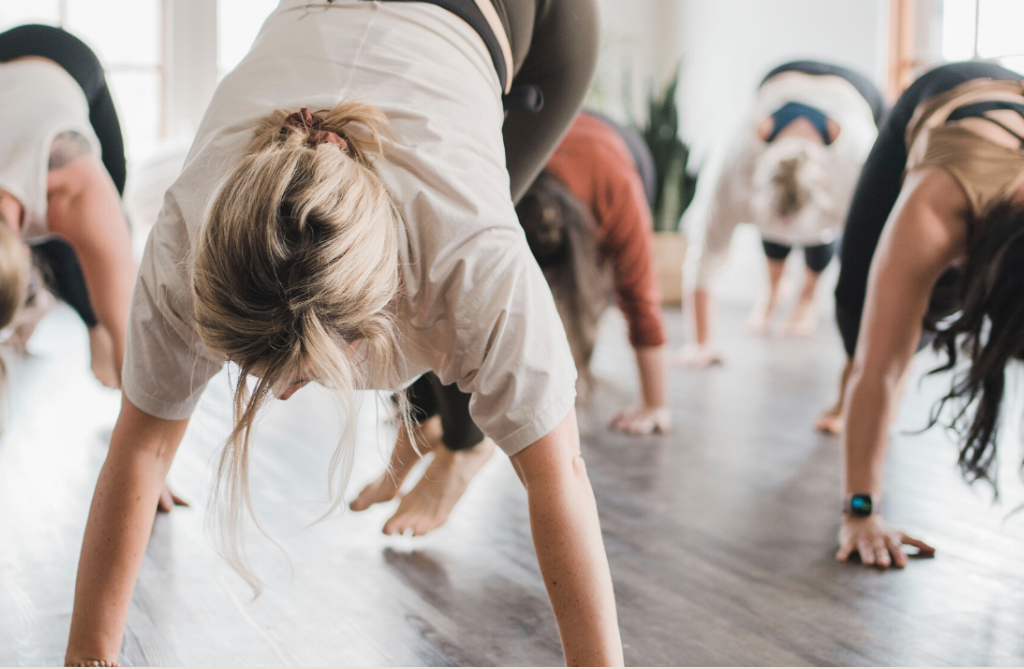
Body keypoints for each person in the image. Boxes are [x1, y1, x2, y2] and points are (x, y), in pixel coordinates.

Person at [65, 1, 624, 666]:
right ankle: (446, 436)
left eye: (303, 373)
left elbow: (558, 476)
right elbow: (141, 452)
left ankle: (462, 445)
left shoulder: (470, 254)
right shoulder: (187, 234)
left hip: (538, 20)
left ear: (385, 304)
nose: (281, 396)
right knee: (466, 338)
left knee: (489, 352)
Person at [350, 110, 670, 537]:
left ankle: (462, 449)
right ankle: (421, 431)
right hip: (525, 149)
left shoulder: (618, 196)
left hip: (617, 151)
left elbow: (642, 299)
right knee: (446, 292)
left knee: (510, 334)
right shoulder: (482, 193)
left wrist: (655, 404)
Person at [819, 61, 1024, 569]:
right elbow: (881, 369)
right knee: (862, 313)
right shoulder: (935, 210)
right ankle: (844, 407)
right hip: (939, 97)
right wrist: (861, 511)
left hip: (1008, 114)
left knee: (920, 321)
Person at [676, 61, 883, 367]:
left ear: (826, 186)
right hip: (778, 80)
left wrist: (891, 349)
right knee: (782, 219)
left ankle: (806, 299)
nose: (788, 232)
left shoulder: (856, 164)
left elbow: (877, 263)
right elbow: (705, 256)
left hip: (856, 93)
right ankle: (773, 293)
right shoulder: (736, 166)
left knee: (833, 230)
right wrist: (700, 344)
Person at [0, 25, 134, 390]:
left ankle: (92, 325)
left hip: (61, 56)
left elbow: (132, 340)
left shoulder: (78, 189)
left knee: (114, 202)